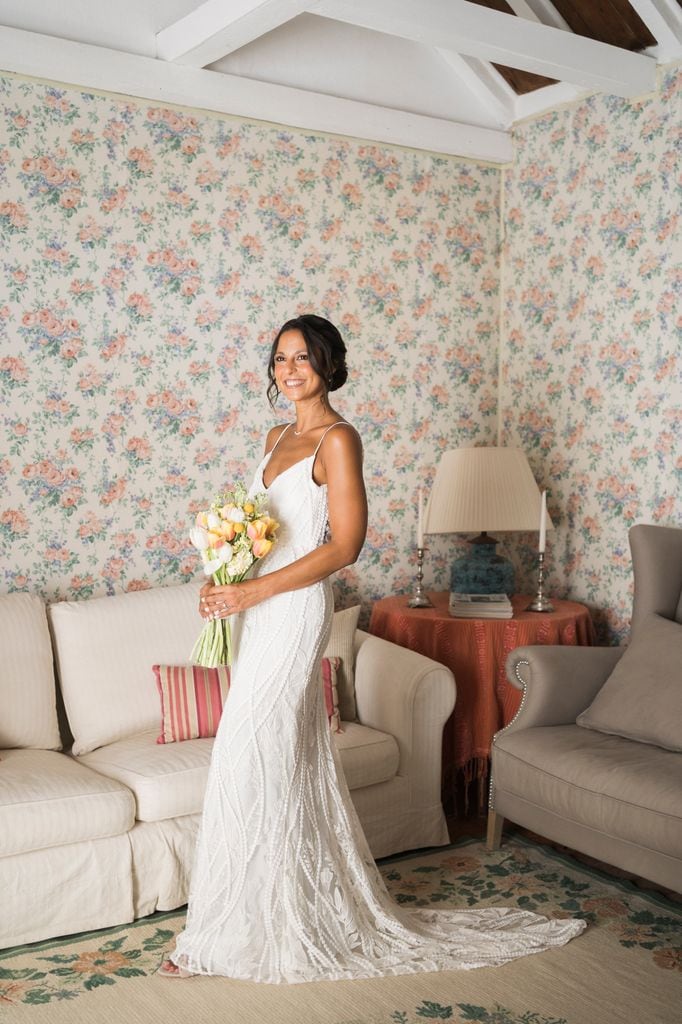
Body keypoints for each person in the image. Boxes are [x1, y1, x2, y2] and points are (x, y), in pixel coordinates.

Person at [160, 314, 585, 982]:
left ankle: (239, 929)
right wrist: (227, 579)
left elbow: (343, 546)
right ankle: (250, 918)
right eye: (279, 359)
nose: (289, 369)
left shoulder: (338, 439)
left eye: (302, 357)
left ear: (328, 365)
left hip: (293, 611)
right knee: (281, 759)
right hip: (258, 612)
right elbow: (263, 530)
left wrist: (254, 590)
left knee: (249, 755)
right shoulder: (273, 437)